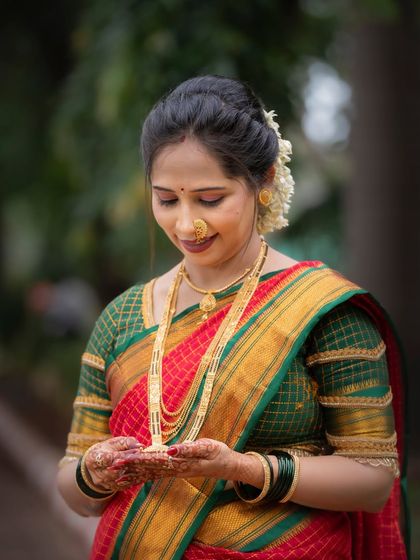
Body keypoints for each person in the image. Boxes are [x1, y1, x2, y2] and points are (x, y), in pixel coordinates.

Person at [57, 75, 408, 559]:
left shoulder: (323, 312)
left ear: (262, 181)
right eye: (166, 199)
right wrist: (92, 473)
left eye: (210, 199)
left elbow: (371, 481)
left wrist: (244, 469)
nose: (185, 224)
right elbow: (76, 490)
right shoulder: (122, 319)